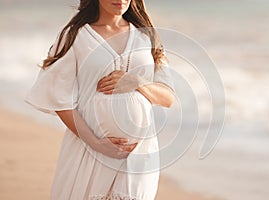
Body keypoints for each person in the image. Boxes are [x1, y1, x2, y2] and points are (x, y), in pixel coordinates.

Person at [25, 0, 174, 199]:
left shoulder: (146, 36)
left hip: (139, 153)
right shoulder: (75, 36)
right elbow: (59, 99)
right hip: (90, 150)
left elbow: (167, 98)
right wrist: (96, 143)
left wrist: (136, 81)